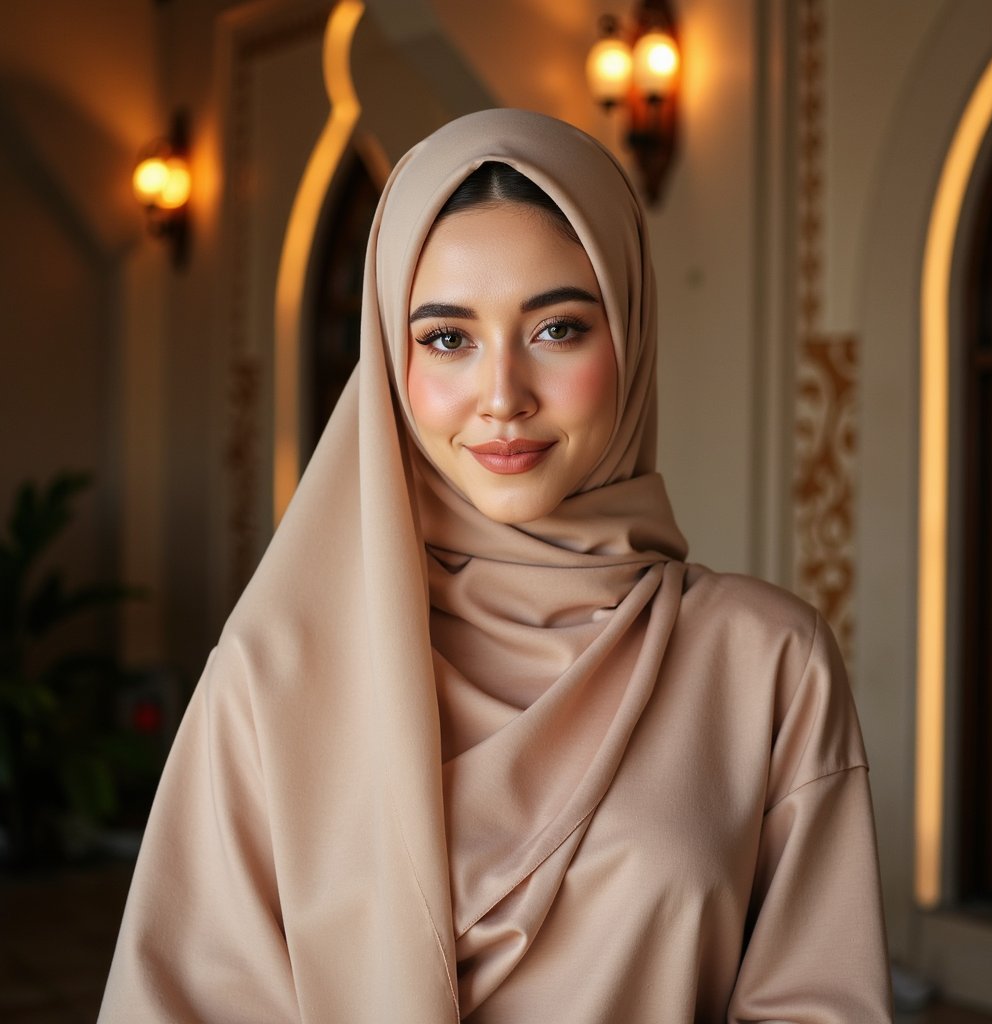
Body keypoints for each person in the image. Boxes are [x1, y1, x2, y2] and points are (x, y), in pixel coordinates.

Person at [99, 108, 892, 1022]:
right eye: (447, 338)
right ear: (389, 366)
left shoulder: (766, 662)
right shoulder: (276, 672)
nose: (504, 397)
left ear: (630, 337)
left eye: (557, 329)